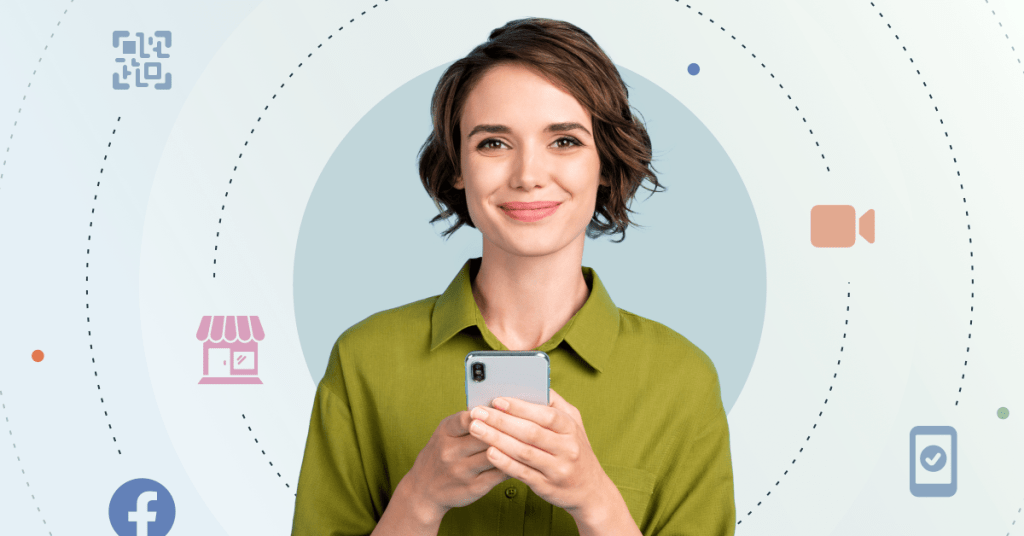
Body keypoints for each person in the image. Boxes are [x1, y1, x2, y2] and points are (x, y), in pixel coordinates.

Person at [291, 17, 735, 536]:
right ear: (457, 164)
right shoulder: (364, 361)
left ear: (604, 162)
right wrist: (419, 497)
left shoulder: (682, 381)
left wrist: (596, 501)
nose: (527, 175)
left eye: (565, 141)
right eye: (493, 143)